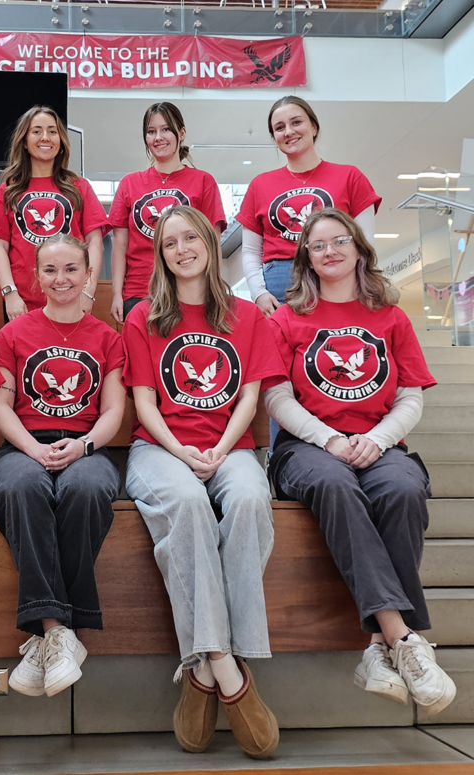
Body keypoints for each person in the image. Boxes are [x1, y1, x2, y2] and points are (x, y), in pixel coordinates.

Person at [266, 208, 455, 717]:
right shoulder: (287, 319)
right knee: (335, 484)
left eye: (339, 241)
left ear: (358, 248)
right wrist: (329, 439)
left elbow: (411, 397)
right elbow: (277, 398)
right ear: (306, 256)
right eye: (318, 245)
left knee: (402, 490)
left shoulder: (390, 317)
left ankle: (375, 651)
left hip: (379, 442)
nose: (329, 251)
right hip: (307, 448)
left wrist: (376, 438)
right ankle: (401, 636)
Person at [123, 206, 285, 759]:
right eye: (170, 243)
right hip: (159, 447)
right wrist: (182, 450)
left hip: (230, 444)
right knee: (189, 503)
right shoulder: (143, 315)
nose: (182, 248)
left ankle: (203, 678)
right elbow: (145, 403)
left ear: (211, 244)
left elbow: (249, 396)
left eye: (191, 237)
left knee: (246, 498)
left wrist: (218, 448)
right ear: (161, 255)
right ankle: (226, 668)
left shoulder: (246, 315)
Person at [0, 234, 125, 698]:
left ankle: (46, 638)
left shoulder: (107, 337)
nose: (61, 279)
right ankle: (58, 629)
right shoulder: (12, 333)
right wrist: (30, 448)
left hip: (87, 447)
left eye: (71, 269)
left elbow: (113, 411)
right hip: (25, 446)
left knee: (85, 489)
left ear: (89, 275)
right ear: (35, 278)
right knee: (22, 488)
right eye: (50, 270)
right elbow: (2, 405)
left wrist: (84, 445)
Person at [237, 96, 380, 319]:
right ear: (274, 136)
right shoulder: (260, 185)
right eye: (279, 127)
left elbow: (365, 243)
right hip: (279, 287)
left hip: (338, 280)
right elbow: (250, 251)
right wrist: (258, 293)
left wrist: (359, 286)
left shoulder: (350, 177)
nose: (288, 132)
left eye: (296, 122)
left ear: (313, 127)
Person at [0, 106, 108, 321]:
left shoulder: (80, 186)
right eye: (37, 131)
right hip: (22, 304)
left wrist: (88, 290)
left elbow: (94, 242)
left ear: (60, 141)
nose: (45, 137)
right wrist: (10, 294)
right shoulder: (7, 191)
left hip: (72, 299)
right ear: (24, 141)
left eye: (52, 131)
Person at [108, 102, 225, 323]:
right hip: (139, 292)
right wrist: (116, 295)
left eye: (166, 129)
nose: (158, 137)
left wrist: (214, 289)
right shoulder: (129, 183)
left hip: (190, 292)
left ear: (181, 133)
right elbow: (119, 245)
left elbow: (213, 242)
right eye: (151, 132)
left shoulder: (203, 181)